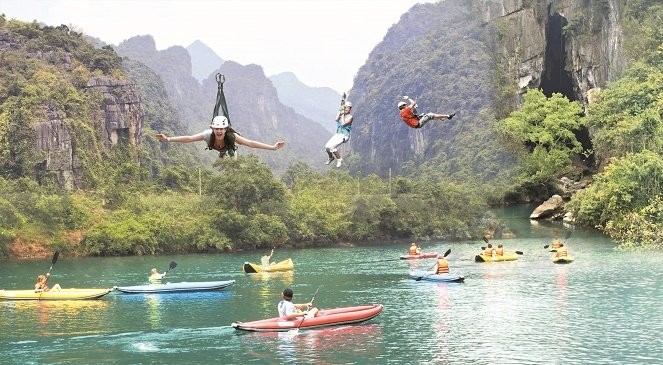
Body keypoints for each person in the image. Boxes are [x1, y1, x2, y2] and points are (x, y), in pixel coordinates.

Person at [155, 116, 285, 157]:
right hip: (218, 149)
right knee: (222, 158)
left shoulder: (232, 136)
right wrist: (168, 139)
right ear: (213, 128)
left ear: (225, 129)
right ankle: (222, 155)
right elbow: (189, 139)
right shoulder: (208, 135)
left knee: (232, 162)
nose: (219, 131)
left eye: (221, 129)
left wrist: (273, 148)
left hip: (229, 150)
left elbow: (250, 143)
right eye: (216, 128)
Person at [324, 102, 353, 168]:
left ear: (350, 109)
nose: (346, 109)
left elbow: (343, 124)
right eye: (345, 107)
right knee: (327, 147)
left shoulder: (350, 117)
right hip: (338, 134)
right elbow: (336, 119)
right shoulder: (342, 113)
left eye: (348, 108)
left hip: (344, 136)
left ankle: (339, 159)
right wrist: (340, 110)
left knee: (332, 147)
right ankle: (331, 158)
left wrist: (342, 114)